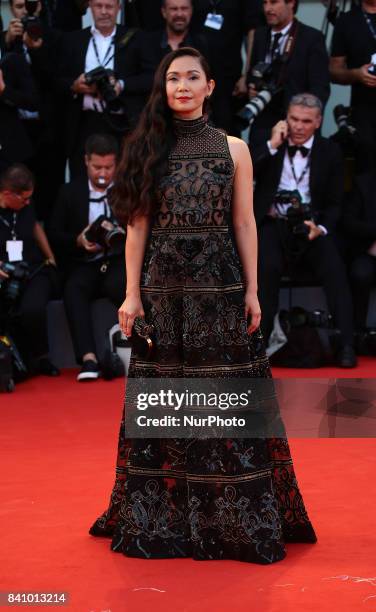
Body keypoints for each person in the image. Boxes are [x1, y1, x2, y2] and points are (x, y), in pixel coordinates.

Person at [89, 47, 317, 563]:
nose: (183, 86)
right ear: (163, 87)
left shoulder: (234, 148)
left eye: (193, 77)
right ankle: (168, 515)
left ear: (211, 87)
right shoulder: (147, 146)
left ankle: (228, 516)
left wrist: (254, 291)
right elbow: (137, 228)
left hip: (220, 290)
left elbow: (244, 223)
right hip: (163, 292)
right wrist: (131, 293)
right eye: (174, 78)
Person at [253, 93, 356, 368]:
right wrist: (272, 145)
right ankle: (259, 347)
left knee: (335, 269)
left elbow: (336, 204)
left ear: (318, 122)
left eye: (306, 121)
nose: (298, 126)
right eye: (294, 119)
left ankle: (346, 343)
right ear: (286, 118)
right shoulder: (268, 143)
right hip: (273, 224)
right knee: (267, 269)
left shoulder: (330, 152)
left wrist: (320, 228)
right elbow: (245, 171)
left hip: (311, 226)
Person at [48, 133, 126, 381]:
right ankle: (89, 359)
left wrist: (126, 235)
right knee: (74, 289)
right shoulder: (69, 192)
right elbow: (53, 233)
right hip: (85, 263)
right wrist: (78, 240)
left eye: (108, 167)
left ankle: (142, 352)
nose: (102, 173)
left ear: (117, 164)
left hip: (118, 261)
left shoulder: (126, 190)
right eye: (96, 167)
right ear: (85, 162)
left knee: (126, 286)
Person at [55, 0, 138, 177]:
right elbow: (56, 80)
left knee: (121, 182)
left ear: (118, 8)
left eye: (109, 6)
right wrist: (75, 86)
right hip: (83, 123)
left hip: (120, 123)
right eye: (98, 6)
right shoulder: (72, 40)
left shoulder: (134, 38)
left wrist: (120, 85)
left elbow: (149, 77)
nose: (104, 12)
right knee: (81, 180)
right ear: (90, 8)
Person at [4, 0, 65, 221]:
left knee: (49, 197)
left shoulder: (55, 38)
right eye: (20, 6)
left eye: (31, 5)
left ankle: (49, 253)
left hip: (48, 132)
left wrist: (37, 51)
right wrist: (8, 43)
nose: (26, 12)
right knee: (15, 193)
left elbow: (57, 85)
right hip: (15, 133)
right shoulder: (6, 40)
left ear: (40, 7)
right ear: (11, 9)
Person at [0, 164, 59, 376]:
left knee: (33, 309)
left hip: (33, 269)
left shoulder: (26, 207)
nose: (27, 203)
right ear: (7, 194)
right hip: (4, 272)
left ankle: (42, 358)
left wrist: (50, 256)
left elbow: (35, 226)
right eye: (23, 199)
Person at [247, 0, 330, 150]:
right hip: (263, 124)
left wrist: (303, 119)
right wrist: (252, 88)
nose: (268, 8)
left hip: (297, 126)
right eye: (265, 3)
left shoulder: (311, 38)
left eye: (273, 2)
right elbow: (252, 74)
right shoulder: (260, 35)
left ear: (291, 3)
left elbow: (320, 89)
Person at [122, 0, 208, 124]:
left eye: (184, 9)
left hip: (191, 122)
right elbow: (135, 81)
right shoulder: (145, 44)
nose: (179, 14)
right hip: (151, 122)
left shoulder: (202, 45)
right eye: (174, 9)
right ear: (164, 12)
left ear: (191, 11)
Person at [330, 0, 376, 173]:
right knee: (366, 167)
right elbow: (334, 71)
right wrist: (356, 74)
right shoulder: (346, 21)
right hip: (363, 109)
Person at [342, 171, 376, 335]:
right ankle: (358, 333)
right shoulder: (363, 183)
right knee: (360, 273)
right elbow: (348, 222)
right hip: (368, 250)